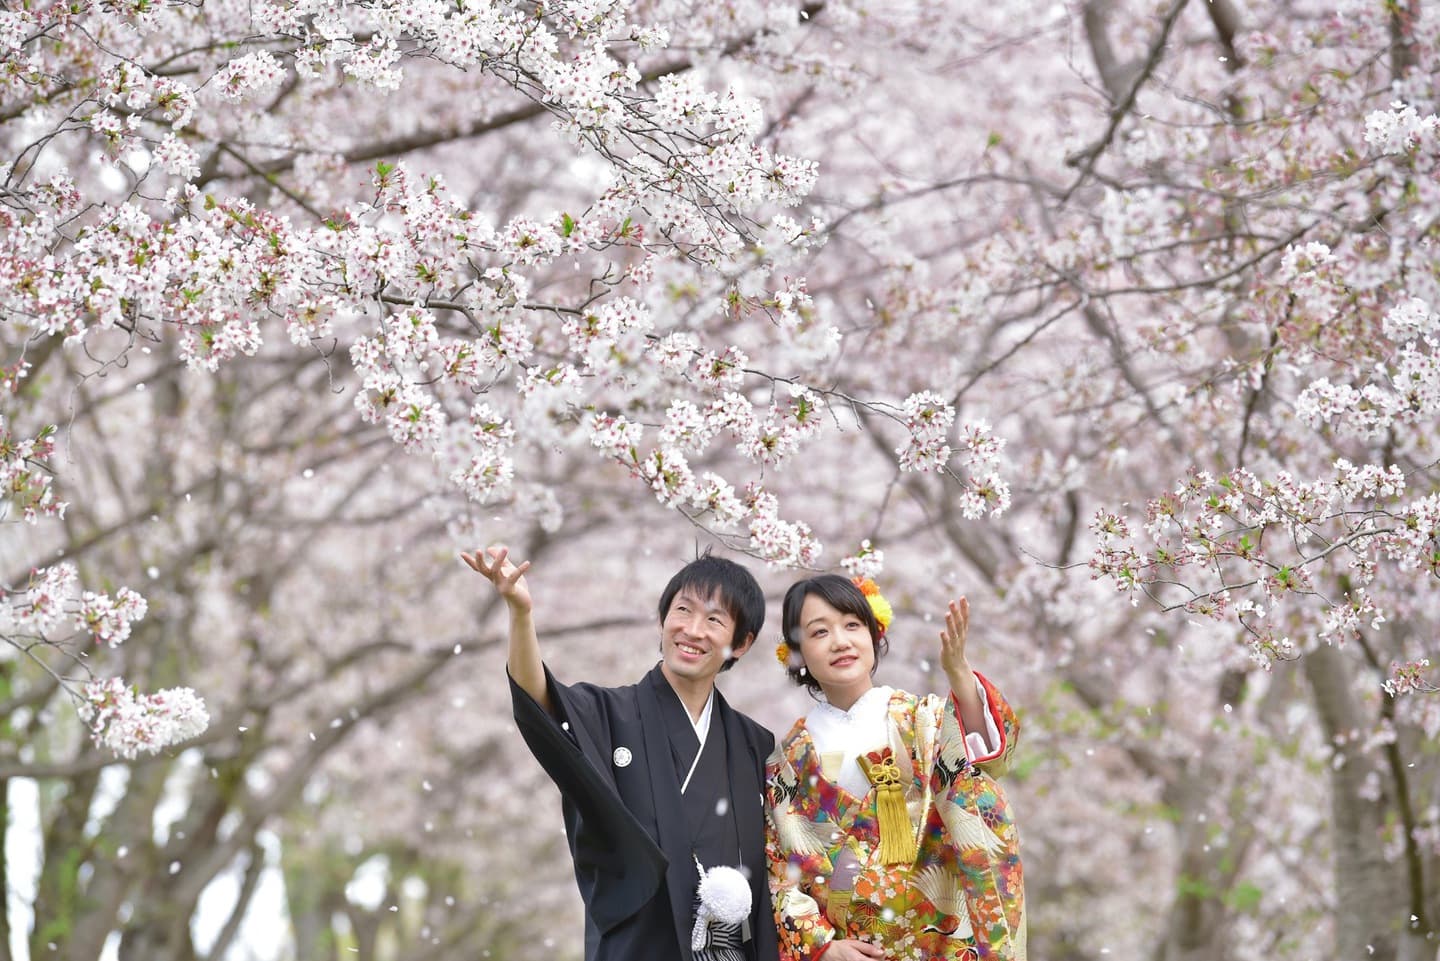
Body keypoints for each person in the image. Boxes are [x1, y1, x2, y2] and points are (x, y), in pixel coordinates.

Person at [463, 544, 780, 961]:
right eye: (683, 611)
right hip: (639, 947)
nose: (693, 629)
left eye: (714, 619)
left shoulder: (753, 742)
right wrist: (521, 614)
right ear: (664, 618)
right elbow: (537, 699)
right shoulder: (609, 713)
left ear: (740, 644)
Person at [765, 574, 1026, 961]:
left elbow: (987, 760)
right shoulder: (787, 762)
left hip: (932, 941)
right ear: (797, 653)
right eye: (820, 632)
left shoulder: (924, 721)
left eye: (852, 625)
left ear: (874, 633)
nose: (841, 641)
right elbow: (776, 870)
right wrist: (822, 947)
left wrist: (959, 674)